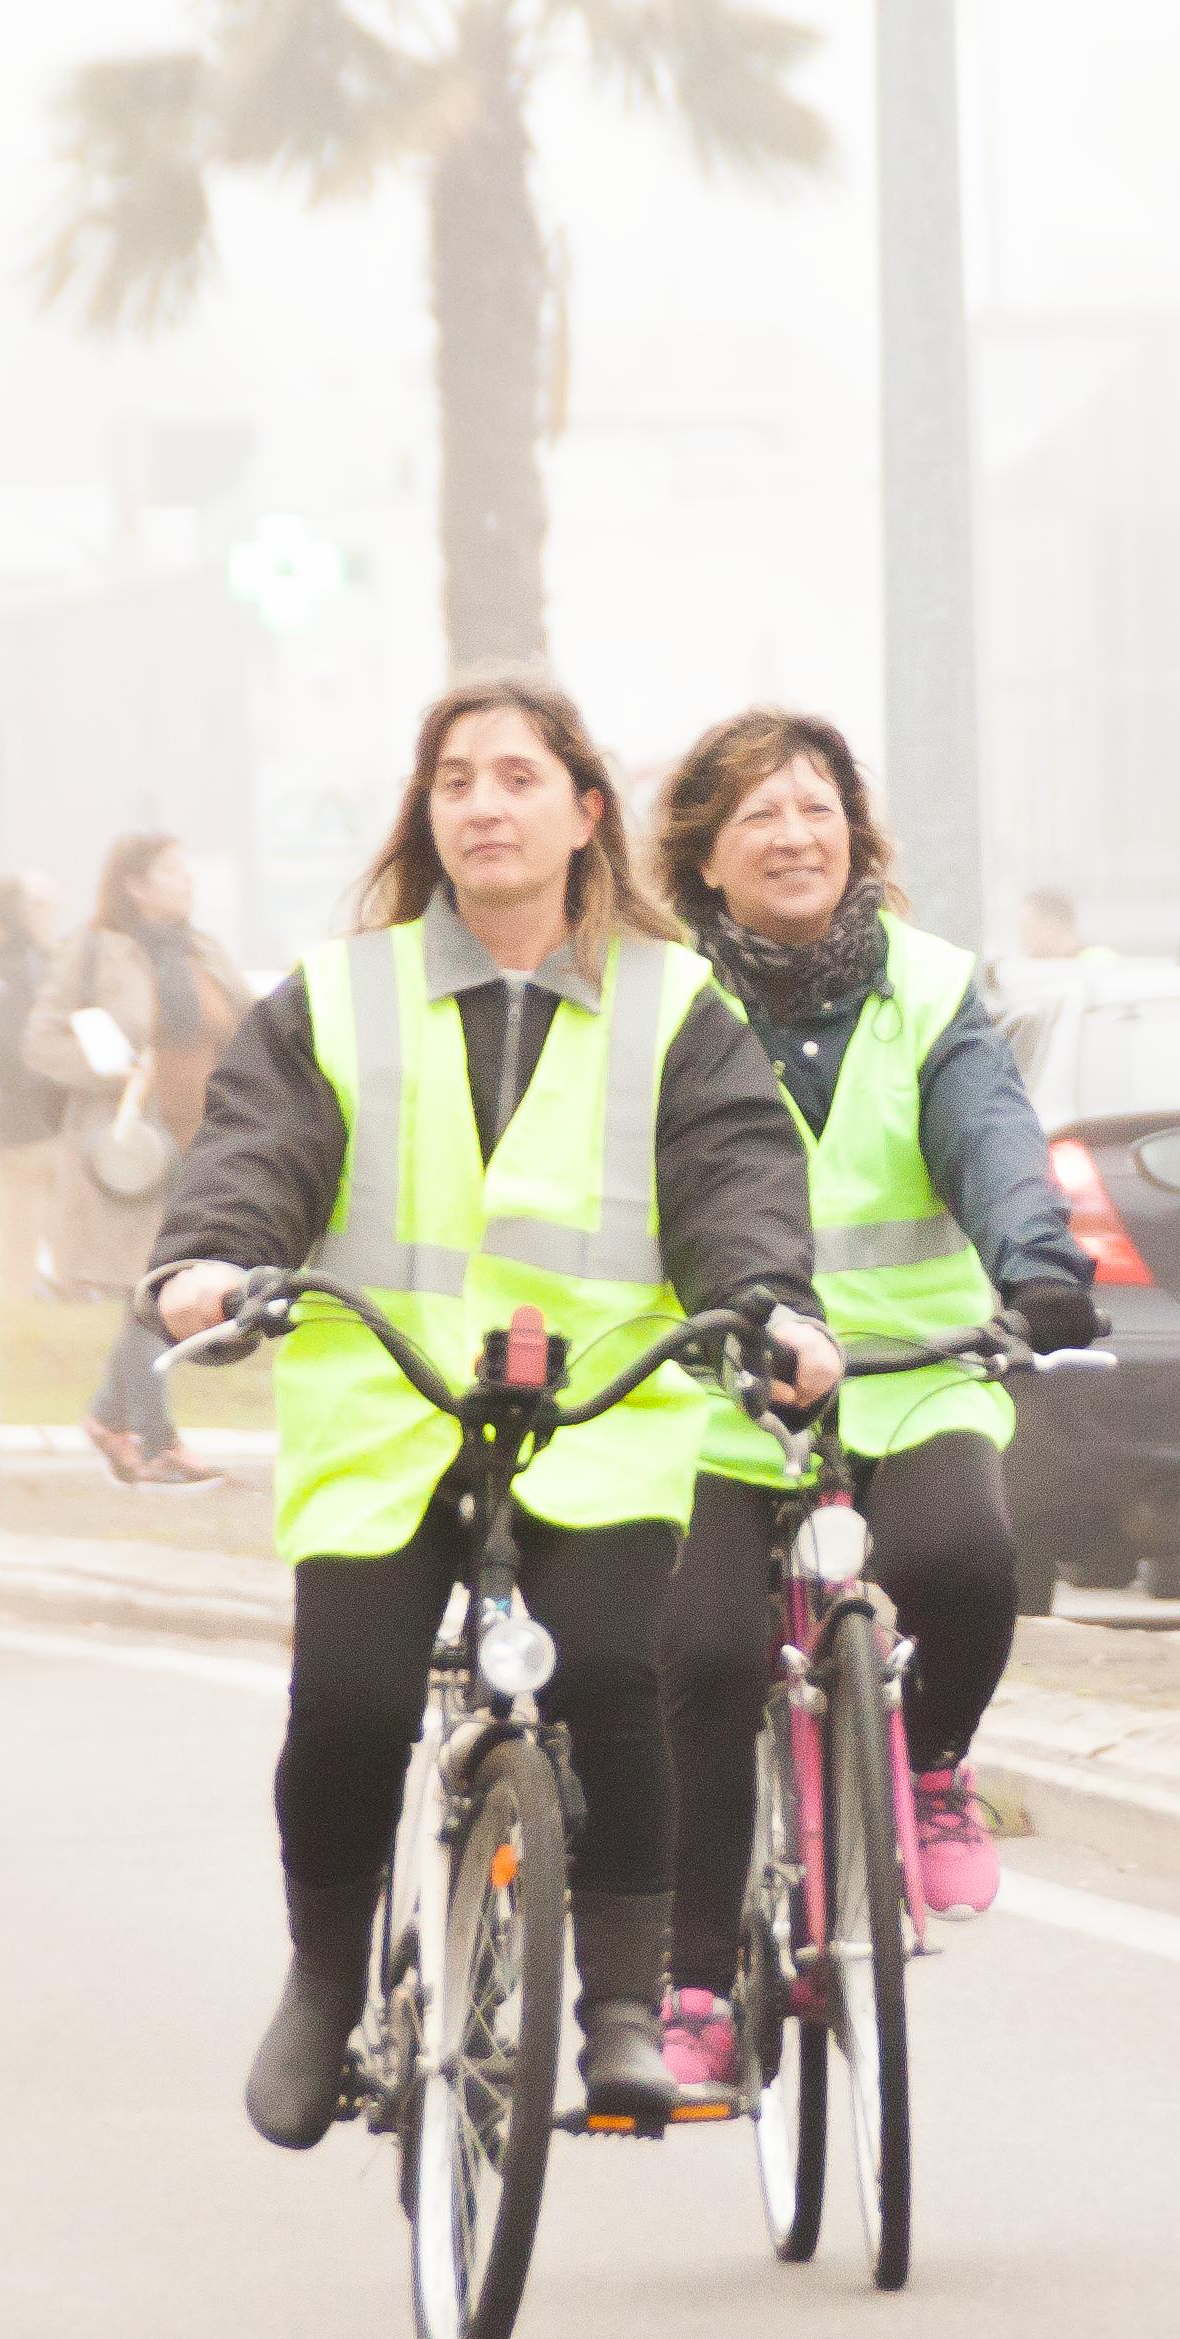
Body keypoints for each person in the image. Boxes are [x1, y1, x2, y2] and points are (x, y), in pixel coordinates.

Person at [145, 678, 839, 2142]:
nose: (484, 804)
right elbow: (259, 1149)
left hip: (598, 1414)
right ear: (429, 813)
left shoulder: (671, 1000)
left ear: (586, 814)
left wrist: (772, 1305)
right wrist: (212, 1265)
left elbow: (733, 1176)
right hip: (391, 1413)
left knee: (613, 1676)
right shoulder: (338, 994)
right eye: (456, 779)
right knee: (346, 1706)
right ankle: (326, 1982)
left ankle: (625, 2009)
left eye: (518, 777)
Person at [646, 709, 1096, 2090]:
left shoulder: (932, 985)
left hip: (912, 1369)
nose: (795, 836)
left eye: (817, 808)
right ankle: (693, 1982)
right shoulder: (660, 999)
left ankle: (938, 1765)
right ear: (705, 862)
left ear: (858, 836)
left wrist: (1038, 1266)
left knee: (966, 1556)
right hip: (719, 1386)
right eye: (759, 818)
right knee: (707, 1659)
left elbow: (993, 1138)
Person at [36, 832, 254, 1487]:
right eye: (168, 871)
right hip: (132, 1153)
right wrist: (113, 1073)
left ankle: (109, 1418)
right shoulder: (93, 951)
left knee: (161, 1288)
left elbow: (250, 1030)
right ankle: (154, 1441)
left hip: (204, 1146)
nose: (184, 881)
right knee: (153, 1289)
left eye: (186, 869)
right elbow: (39, 1041)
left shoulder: (203, 950)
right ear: (134, 883)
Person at [0, 872, 64, 1299]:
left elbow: (13, 1050)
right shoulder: (40, 965)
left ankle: (21, 1298)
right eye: (38, 905)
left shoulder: (3, 967)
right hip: (43, 1118)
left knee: (20, 1231)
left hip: (24, 1123)